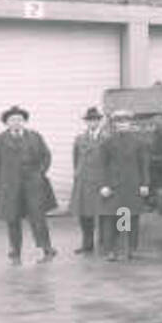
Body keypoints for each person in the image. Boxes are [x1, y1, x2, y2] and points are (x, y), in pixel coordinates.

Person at [0, 105, 56, 265]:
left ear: (24, 121)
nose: (16, 122)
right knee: (13, 219)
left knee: (38, 218)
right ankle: (15, 253)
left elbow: (46, 156)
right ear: (6, 123)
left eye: (19, 119)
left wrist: (40, 173)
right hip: (10, 187)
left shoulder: (35, 136)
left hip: (33, 185)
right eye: (12, 120)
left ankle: (46, 249)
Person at [100, 109, 151, 260]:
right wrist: (104, 185)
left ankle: (131, 249)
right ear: (115, 125)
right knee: (113, 218)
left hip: (132, 184)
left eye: (125, 122)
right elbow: (102, 165)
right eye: (119, 122)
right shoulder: (107, 142)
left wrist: (144, 184)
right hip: (114, 185)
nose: (122, 125)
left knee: (131, 217)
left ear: (130, 124)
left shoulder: (139, 142)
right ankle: (112, 250)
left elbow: (144, 164)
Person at [69, 106, 109, 255]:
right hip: (84, 180)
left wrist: (108, 182)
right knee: (85, 215)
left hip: (101, 180)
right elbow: (76, 159)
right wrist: (78, 174)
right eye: (90, 120)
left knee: (105, 213)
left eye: (96, 120)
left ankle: (105, 243)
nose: (93, 123)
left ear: (100, 121)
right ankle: (87, 244)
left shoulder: (107, 139)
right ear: (86, 123)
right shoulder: (79, 139)